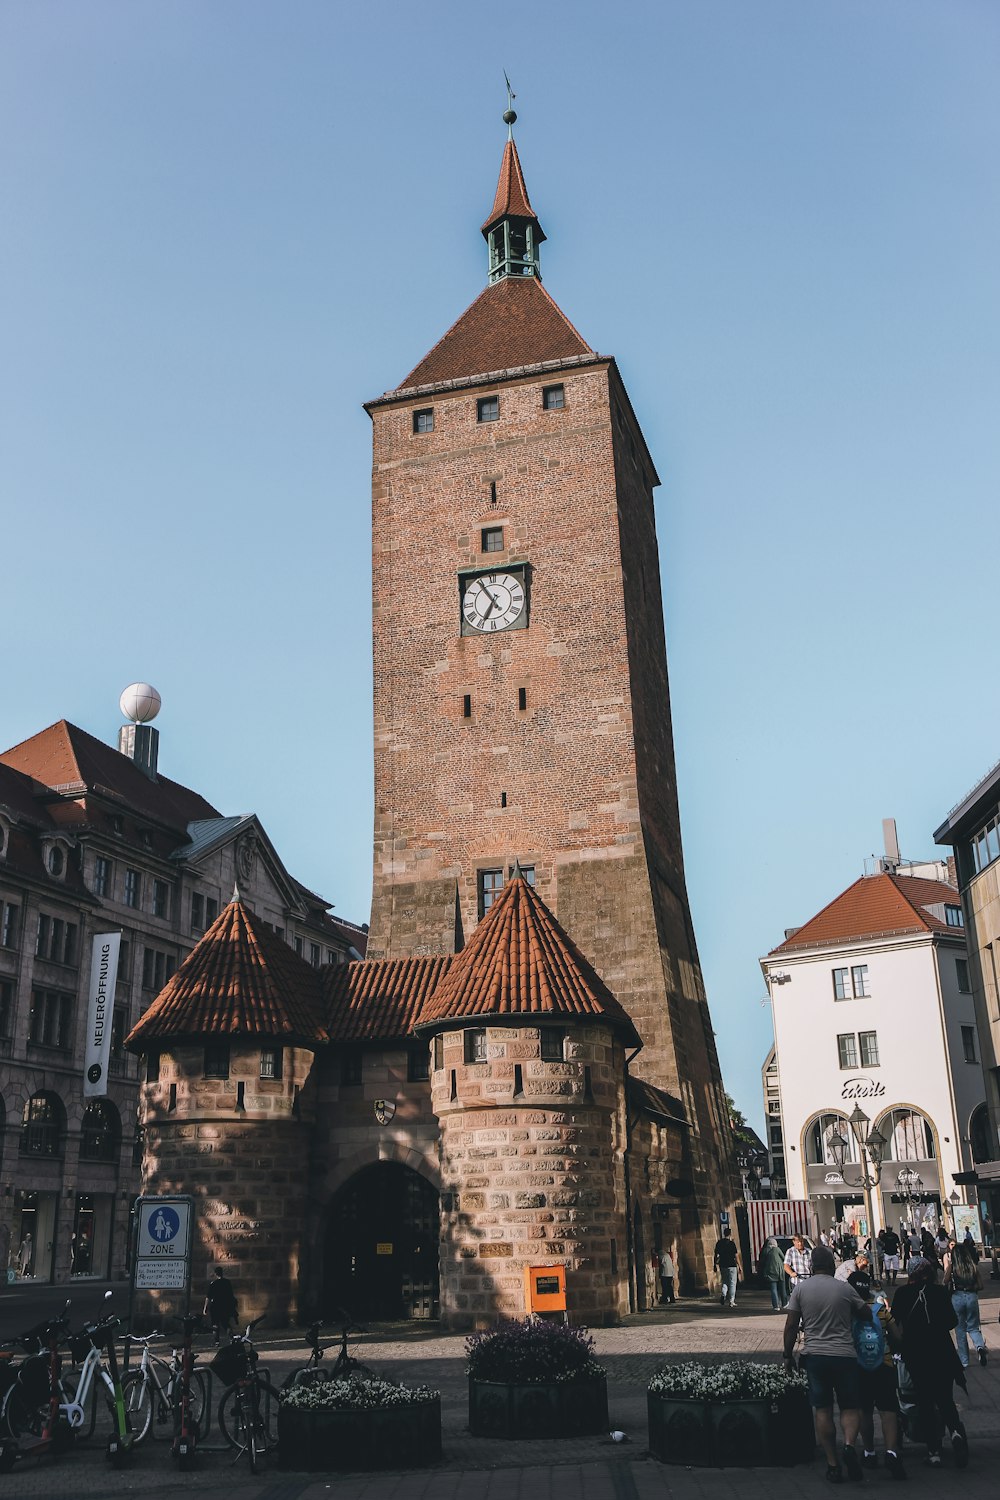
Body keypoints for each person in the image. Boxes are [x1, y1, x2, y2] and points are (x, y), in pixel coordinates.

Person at [783, 1244, 866, 1483]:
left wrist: (787, 1355)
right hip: (845, 1356)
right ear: (832, 1265)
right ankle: (849, 1445)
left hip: (815, 1357)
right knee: (850, 1407)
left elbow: (790, 1326)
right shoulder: (845, 1289)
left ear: (811, 1265)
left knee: (823, 1409)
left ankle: (832, 1463)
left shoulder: (801, 1290)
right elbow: (866, 1314)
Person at [891, 1257, 967, 1468]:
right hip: (942, 1352)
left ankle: (933, 1452)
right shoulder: (940, 1292)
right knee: (945, 1399)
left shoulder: (903, 1294)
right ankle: (955, 1433)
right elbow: (953, 1321)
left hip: (917, 1354)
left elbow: (894, 1322)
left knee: (924, 1400)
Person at [853, 1281, 906, 1479]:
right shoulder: (880, 1309)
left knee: (864, 1411)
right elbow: (897, 1336)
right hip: (884, 1365)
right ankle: (891, 1452)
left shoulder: (849, 1311)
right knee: (888, 1410)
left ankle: (869, 1452)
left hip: (859, 1368)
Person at [944, 1235, 988, 1369]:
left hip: (957, 1297)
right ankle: (980, 1346)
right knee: (974, 1327)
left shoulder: (953, 1267)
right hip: (971, 1296)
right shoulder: (972, 1266)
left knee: (960, 1330)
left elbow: (945, 1281)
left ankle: (964, 1361)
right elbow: (980, 1284)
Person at [204, 1266, 239, 1344]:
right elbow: (231, 1295)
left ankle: (216, 1341)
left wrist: (205, 1308)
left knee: (215, 1324)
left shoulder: (213, 1284)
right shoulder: (227, 1282)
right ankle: (231, 1338)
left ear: (216, 1274)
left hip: (215, 1306)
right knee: (226, 1323)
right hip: (225, 1306)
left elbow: (208, 1297)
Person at [713, 1227, 741, 1309]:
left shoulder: (719, 1243)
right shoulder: (732, 1243)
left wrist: (714, 1264)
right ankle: (731, 1301)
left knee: (725, 1281)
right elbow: (736, 1256)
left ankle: (723, 1294)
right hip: (732, 1265)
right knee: (732, 1283)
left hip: (722, 1265)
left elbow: (716, 1255)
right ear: (730, 1234)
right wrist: (740, 1266)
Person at [760, 1236, 789, 1311]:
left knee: (773, 1289)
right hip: (780, 1271)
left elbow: (762, 1262)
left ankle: (776, 1306)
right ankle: (785, 1304)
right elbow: (784, 1258)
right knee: (782, 1288)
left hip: (770, 1272)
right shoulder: (777, 1249)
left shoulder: (765, 1250)